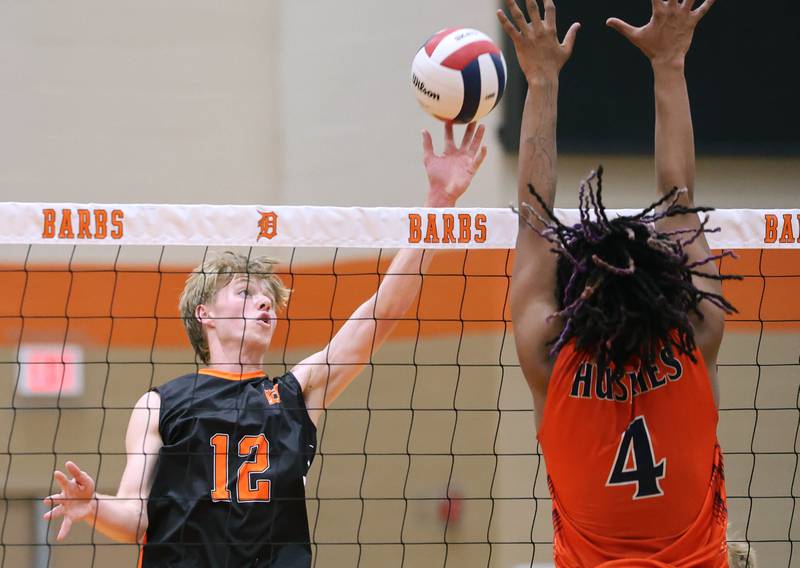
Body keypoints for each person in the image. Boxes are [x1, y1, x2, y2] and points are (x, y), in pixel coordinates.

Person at [42, 122, 487, 567]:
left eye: (268, 298)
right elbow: (137, 515)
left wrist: (440, 203)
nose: (263, 303)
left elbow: (383, 311)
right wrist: (93, 504)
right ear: (206, 315)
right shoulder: (161, 405)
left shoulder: (296, 394)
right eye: (245, 293)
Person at [498, 0, 736, 565]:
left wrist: (541, 81)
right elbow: (678, 200)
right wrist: (670, 63)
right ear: (667, 287)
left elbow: (534, 221)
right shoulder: (696, 333)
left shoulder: (553, 358)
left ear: (572, 295)